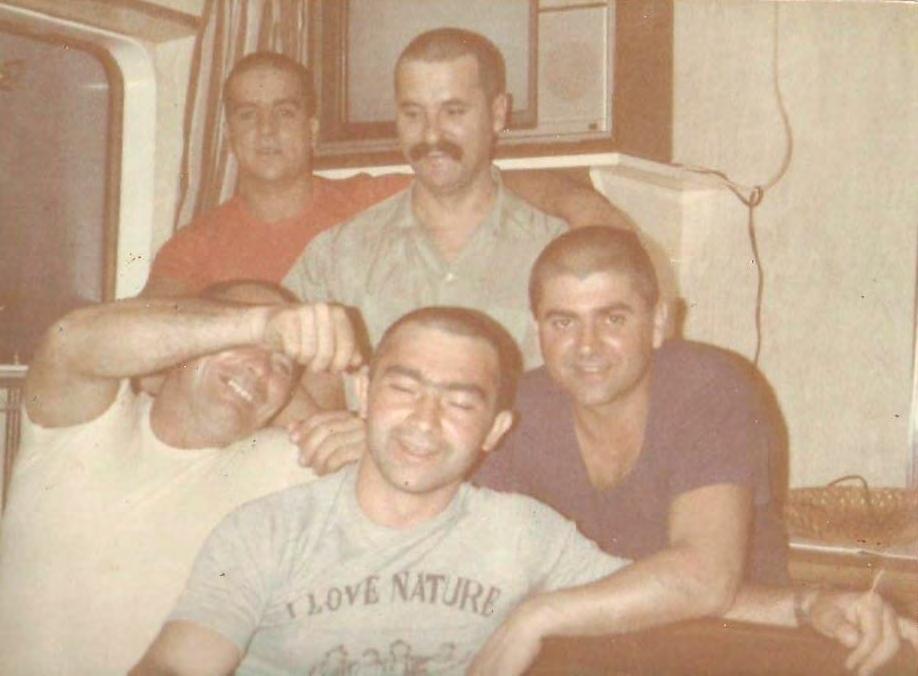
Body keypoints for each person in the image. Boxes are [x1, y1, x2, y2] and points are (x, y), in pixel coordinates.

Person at [132, 307, 916, 676]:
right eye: (404, 388)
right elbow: (175, 668)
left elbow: (682, 595)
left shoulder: (522, 535)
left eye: (460, 402)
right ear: (363, 394)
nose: (425, 421)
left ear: (496, 431)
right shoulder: (266, 532)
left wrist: (817, 606)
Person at [0, 281, 359, 675]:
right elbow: (68, 342)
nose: (261, 367)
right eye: (240, 340)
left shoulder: (279, 461)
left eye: (282, 366)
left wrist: (365, 447)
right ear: (184, 340)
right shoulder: (84, 428)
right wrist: (262, 326)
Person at [474, 226, 788, 616]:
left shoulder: (711, 388)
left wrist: (538, 618)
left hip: (725, 636)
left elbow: (704, 581)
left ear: (658, 323)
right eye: (563, 323)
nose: (587, 346)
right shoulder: (516, 410)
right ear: (537, 329)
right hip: (576, 636)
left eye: (613, 319)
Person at [144, 51, 628, 298]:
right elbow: (149, 340)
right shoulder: (194, 246)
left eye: (285, 112)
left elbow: (471, 184)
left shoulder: (368, 202)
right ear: (229, 133)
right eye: (248, 115)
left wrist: (578, 201)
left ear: (312, 129)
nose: (266, 130)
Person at [283, 28, 630, 370]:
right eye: (413, 114)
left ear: (498, 113)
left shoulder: (555, 250)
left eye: (453, 112)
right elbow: (271, 365)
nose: (431, 134)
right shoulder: (339, 256)